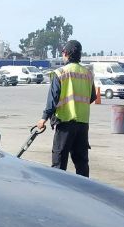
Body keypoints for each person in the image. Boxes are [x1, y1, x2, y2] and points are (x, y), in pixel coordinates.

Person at [36, 40, 96, 177]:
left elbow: (53, 98)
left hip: (65, 123)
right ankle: (84, 191)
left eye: (63, 53)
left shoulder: (60, 73)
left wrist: (43, 118)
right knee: (81, 162)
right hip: (82, 124)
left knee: (59, 162)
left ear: (66, 54)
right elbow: (92, 97)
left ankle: (58, 192)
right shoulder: (88, 74)